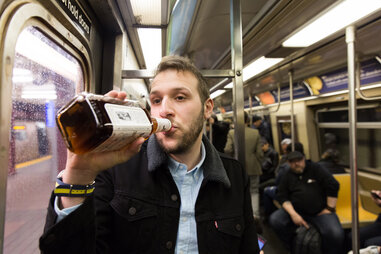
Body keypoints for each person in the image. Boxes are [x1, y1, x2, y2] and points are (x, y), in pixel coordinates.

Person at [39, 56, 260, 253]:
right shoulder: (117, 168)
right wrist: (79, 175)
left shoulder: (234, 174)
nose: (165, 109)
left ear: (207, 108)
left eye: (180, 97)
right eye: (156, 100)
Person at [269, 150, 344, 254]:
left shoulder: (316, 169)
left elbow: (333, 185)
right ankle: (292, 247)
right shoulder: (287, 174)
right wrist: (294, 214)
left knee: (335, 234)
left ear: (304, 159)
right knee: (275, 220)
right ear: (288, 163)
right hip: (297, 210)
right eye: (292, 162)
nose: (296, 164)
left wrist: (329, 208)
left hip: (319, 212)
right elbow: (282, 196)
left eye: (299, 160)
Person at [224, 111, 264, 221]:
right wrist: (258, 163)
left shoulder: (232, 133)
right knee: (254, 190)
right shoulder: (255, 133)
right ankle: (255, 215)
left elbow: (228, 149)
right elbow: (260, 153)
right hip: (253, 167)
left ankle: (240, 215)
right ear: (248, 120)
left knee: (238, 190)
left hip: (237, 166)